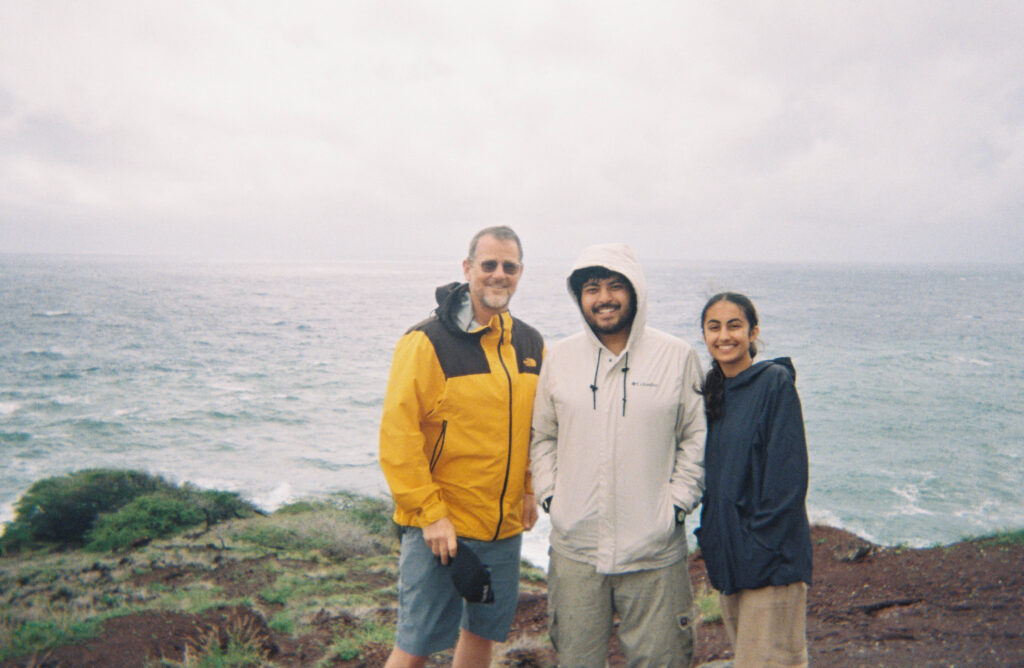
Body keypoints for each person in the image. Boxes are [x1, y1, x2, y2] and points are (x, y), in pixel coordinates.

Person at [530, 243, 706, 667]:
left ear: (635, 291)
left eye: (615, 286)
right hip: (577, 550)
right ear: (580, 297)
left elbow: (696, 437)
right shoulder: (560, 358)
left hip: (654, 551)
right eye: (592, 288)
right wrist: (553, 497)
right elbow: (543, 437)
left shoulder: (676, 356)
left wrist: (677, 505)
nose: (604, 298)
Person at [379, 226, 545, 668]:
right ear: (468, 268)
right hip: (441, 529)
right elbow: (398, 437)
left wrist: (529, 488)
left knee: (481, 637)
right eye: (488, 264)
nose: (498, 274)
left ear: (520, 273)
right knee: (415, 646)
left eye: (508, 267)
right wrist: (430, 515)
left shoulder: (529, 342)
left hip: (503, 526)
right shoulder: (426, 341)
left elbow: (533, 428)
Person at [694, 292, 813, 667]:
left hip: (770, 563)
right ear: (704, 334)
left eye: (734, 325)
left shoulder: (774, 383)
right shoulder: (714, 393)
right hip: (730, 560)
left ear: (753, 332)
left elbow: (788, 480)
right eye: (714, 327)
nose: (724, 336)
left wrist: (759, 547)